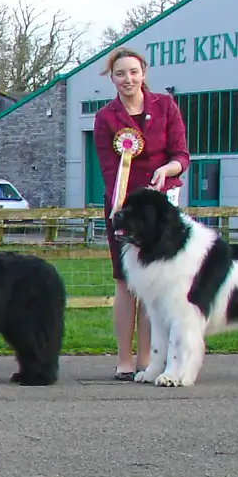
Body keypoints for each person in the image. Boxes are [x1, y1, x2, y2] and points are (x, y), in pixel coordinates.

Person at [95, 47, 189, 381]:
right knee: (125, 279)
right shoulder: (106, 117)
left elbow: (182, 154)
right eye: (120, 74)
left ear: (143, 73)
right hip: (124, 207)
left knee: (155, 280)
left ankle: (149, 357)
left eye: (133, 72)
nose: (127, 79)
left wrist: (169, 169)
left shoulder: (165, 106)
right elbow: (108, 167)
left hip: (161, 207)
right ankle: (124, 358)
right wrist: (122, 205)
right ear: (113, 78)